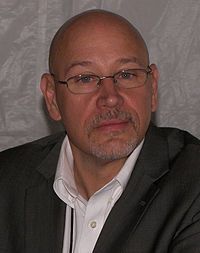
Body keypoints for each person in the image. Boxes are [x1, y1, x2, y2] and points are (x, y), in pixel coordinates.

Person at [0, 9, 200, 253]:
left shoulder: (193, 186)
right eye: (85, 78)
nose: (111, 98)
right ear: (52, 97)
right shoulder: (7, 181)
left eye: (127, 74)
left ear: (153, 88)